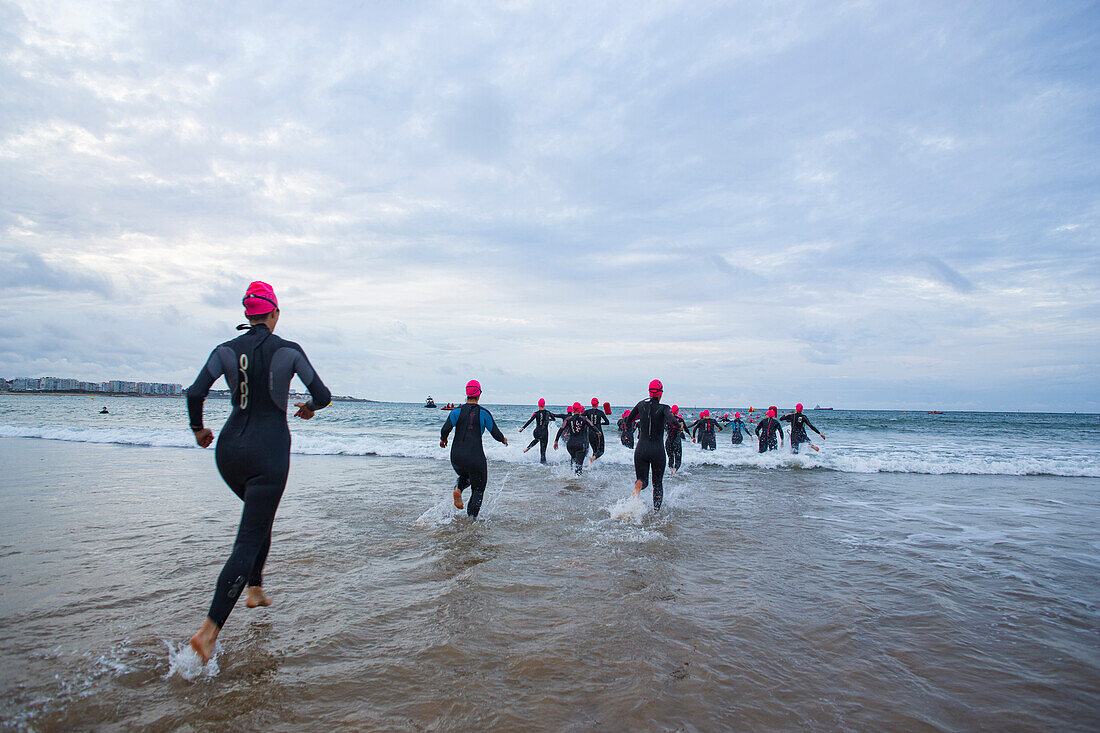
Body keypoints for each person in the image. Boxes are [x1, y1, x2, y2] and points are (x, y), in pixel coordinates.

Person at [185, 281, 331, 663]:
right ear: (274, 313)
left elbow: (194, 392)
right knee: (249, 537)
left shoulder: (225, 350)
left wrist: (199, 429)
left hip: (229, 451)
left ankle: (255, 588)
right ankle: (209, 631)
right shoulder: (288, 350)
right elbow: (323, 394)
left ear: (248, 316)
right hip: (269, 452)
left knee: (258, 519)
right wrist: (310, 407)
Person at [440, 380, 508, 516]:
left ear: (467, 393)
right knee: (478, 489)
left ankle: (458, 489)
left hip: (456, 456)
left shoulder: (456, 411)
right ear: (479, 394)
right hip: (475, 457)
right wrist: (503, 439)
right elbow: (495, 433)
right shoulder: (484, 413)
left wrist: (443, 439)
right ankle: (471, 520)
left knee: (465, 476)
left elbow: (445, 428)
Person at [625, 379, 676, 510]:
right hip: (657, 451)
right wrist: (680, 426)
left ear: (649, 392)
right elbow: (673, 421)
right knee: (657, 484)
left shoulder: (641, 404)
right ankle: (656, 513)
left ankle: (639, 484)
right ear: (660, 393)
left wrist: (642, 417)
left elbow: (629, 419)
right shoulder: (664, 408)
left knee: (643, 480)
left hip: (641, 449)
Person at [554, 403, 595, 474]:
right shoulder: (584, 419)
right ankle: (577, 482)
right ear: (580, 410)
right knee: (579, 466)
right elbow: (593, 427)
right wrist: (598, 433)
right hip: (581, 444)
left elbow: (561, 429)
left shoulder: (568, 419)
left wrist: (556, 441)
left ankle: (571, 477)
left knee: (573, 460)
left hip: (570, 445)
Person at [519, 398, 558, 464]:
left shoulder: (536, 413)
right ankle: (543, 465)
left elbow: (530, 421)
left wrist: (523, 428)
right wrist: (548, 420)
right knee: (543, 452)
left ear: (538, 404)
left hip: (537, 432)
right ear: (544, 404)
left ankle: (528, 447)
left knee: (537, 439)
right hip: (545, 433)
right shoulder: (548, 412)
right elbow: (554, 419)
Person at [665, 404, 691, 474]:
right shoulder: (680, 420)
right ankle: (675, 470)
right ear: (677, 411)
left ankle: (669, 471)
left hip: (668, 441)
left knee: (670, 458)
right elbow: (686, 429)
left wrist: (667, 431)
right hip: (677, 441)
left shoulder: (667, 419)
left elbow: (663, 427)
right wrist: (691, 436)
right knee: (678, 459)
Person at [583, 397, 610, 463]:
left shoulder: (587, 412)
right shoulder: (600, 412)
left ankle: (591, 466)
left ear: (591, 404)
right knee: (601, 450)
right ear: (597, 404)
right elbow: (607, 422)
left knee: (594, 450)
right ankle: (593, 458)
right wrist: (600, 423)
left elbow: (580, 417)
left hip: (590, 432)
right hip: (598, 433)